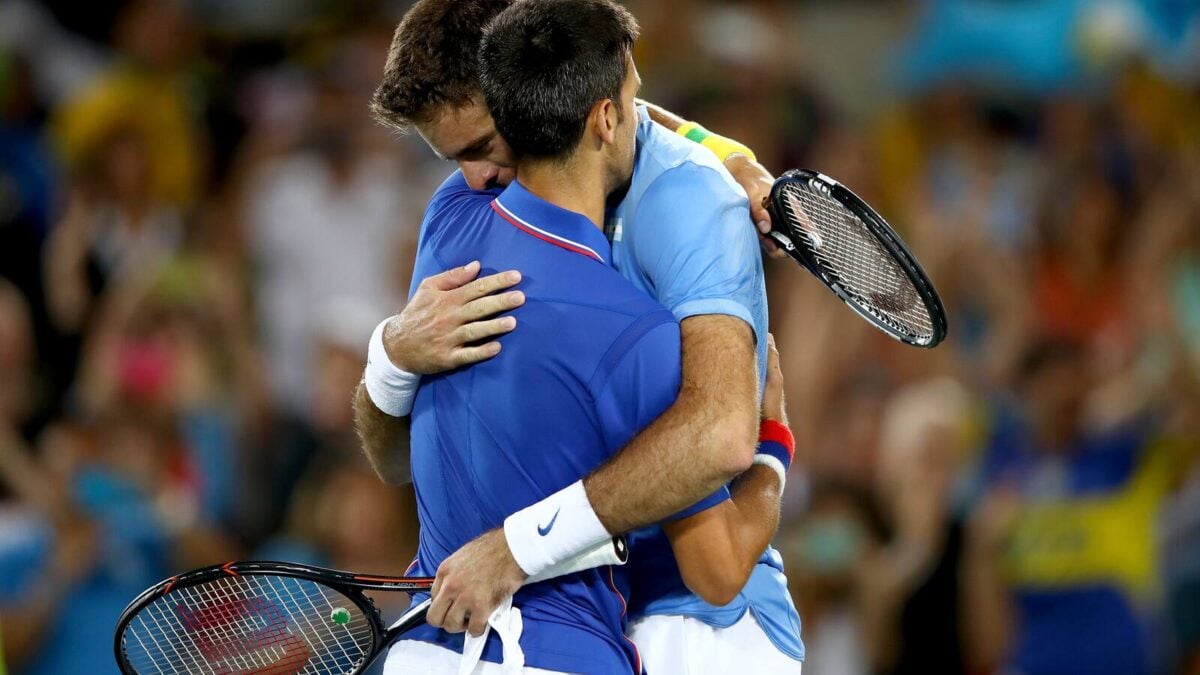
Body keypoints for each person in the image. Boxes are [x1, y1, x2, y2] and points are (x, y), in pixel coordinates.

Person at [358, 0, 803, 671]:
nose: (474, 178)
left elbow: (714, 439)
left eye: (481, 145)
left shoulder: (689, 206)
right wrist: (391, 356)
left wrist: (514, 547)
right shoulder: (466, 210)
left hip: (697, 629)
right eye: (454, 160)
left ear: (517, 96)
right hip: (578, 624)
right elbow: (397, 459)